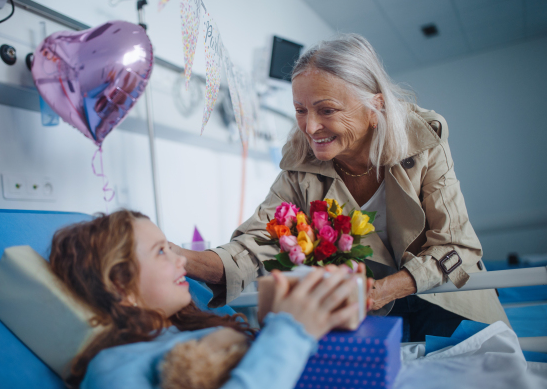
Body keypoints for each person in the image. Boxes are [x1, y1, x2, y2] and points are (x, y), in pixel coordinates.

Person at [173, 33, 509, 342]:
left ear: (374, 107)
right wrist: (182, 258)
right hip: (367, 310)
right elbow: (257, 241)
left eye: (327, 110)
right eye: (300, 110)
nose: (310, 126)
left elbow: (456, 245)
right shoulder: (301, 165)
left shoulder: (421, 143)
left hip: (442, 296)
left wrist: (383, 289)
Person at [49, 210, 365, 389]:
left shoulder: (190, 327)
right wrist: (291, 330)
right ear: (120, 285)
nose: (180, 261)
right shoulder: (113, 370)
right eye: (161, 251)